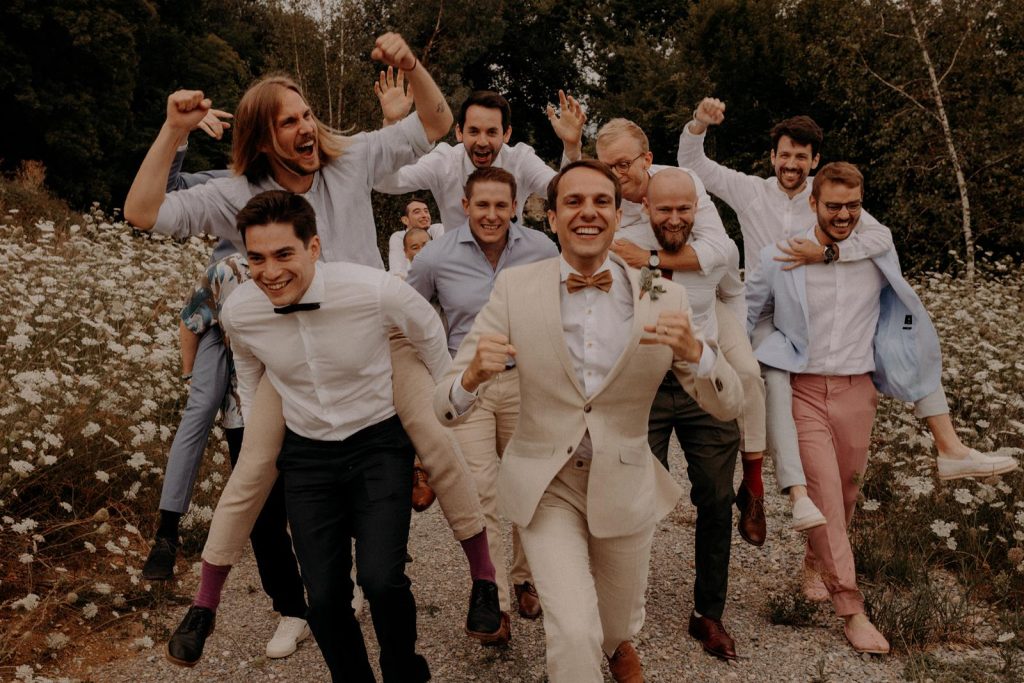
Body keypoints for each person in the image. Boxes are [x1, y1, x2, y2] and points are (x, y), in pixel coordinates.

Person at [125, 34, 501, 663]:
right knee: (251, 472)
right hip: (291, 346)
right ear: (261, 137)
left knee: (437, 442)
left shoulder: (350, 155)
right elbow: (142, 212)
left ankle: (483, 580)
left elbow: (438, 124)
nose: (304, 128)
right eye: (287, 123)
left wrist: (411, 65)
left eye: (305, 116)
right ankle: (204, 605)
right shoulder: (235, 191)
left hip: (374, 334)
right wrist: (172, 131)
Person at [434, 160, 743, 681]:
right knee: (573, 630)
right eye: (573, 202)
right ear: (550, 218)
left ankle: (617, 640)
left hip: (624, 481)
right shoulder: (515, 288)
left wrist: (698, 354)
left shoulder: (661, 294)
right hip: (546, 483)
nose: (588, 212)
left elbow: (729, 403)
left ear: (619, 216)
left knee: (613, 626)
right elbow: (445, 403)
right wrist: (470, 380)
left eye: (601, 201)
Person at [680, 98, 1017, 498]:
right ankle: (770, 486)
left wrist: (826, 253)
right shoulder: (751, 191)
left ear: (814, 160)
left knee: (903, 340)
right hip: (768, 310)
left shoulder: (825, 198)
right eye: (785, 155)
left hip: (815, 309)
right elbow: (695, 166)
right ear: (772, 157)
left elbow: (880, 237)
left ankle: (950, 447)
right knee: (761, 374)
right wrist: (700, 123)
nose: (791, 164)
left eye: (801, 157)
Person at [222, 190, 445, 680]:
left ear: (314, 247)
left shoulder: (374, 289)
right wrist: (264, 447)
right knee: (322, 598)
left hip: (378, 444)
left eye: (284, 254)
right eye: (256, 258)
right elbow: (247, 367)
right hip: (305, 457)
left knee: (381, 580)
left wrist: (444, 414)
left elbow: (429, 332)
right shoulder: (239, 310)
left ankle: (405, 671)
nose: (270, 272)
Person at [744, 161, 944, 654]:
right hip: (804, 389)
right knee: (827, 500)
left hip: (859, 389)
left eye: (853, 206)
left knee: (848, 494)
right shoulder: (779, 255)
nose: (843, 214)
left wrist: (833, 252)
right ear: (812, 202)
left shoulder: (872, 249)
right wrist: (754, 357)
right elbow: (750, 312)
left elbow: (881, 239)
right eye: (833, 205)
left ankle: (817, 560)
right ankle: (851, 610)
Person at [597, 118, 775, 544]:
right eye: (609, 166)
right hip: (659, 314)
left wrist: (649, 258)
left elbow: (721, 249)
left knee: (747, 375)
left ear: (647, 160)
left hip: (713, 305)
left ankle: (754, 487)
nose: (617, 174)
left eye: (624, 164)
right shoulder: (611, 205)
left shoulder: (681, 184)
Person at [407, 166, 559, 643]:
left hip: (527, 384)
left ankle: (524, 575)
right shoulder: (434, 257)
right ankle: (490, 593)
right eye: (482, 205)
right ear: (464, 206)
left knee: (529, 485)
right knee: (481, 491)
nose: (491, 215)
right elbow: (409, 317)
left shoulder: (541, 249)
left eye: (501, 205)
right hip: (468, 387)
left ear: (514, 207)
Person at [167, 251, 310, 663]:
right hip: (244, 410)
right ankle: (292, 609)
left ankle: (338, 587)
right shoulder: (226, 272)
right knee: (263, 518)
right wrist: (196, 381)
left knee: (313, 506)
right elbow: (191, 320)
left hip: (307, 408)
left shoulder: (307, 258)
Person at [629, 168, 748, 659]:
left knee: (717, 498)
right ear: (646, 207)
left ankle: (708, 613)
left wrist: (654, 260)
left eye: (684, 209)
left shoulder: (714, 242)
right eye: (664, 210)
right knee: (633, 495)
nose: (675, 218)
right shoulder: (621, 240)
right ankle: (621, 613)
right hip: (646, 384)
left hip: (702, 376)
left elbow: (731, 274)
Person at [373, 84, 586, 229]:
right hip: (457, 275)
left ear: (507, 134)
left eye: (492, 132)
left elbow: (565, 193)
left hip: (511, 272)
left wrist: (571, 147)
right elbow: (386, 182)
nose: (482, 141)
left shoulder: (520, 159)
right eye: (473, 131)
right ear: (459, 132)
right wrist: (392, 129)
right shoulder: (443, 160)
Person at [387, 198, 444, 278]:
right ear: (405, 220)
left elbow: (444, 260)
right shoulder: (398, 237)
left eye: (426, 211)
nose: (424, 215)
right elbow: (397, 270)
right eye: (417, 212)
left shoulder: (438, 229)